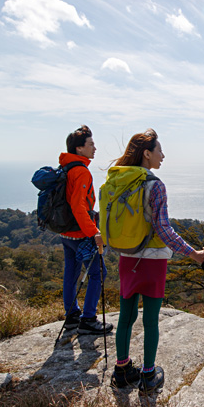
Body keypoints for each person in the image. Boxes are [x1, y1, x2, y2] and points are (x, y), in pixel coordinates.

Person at [110, 128, 204, 395]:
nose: (163, 156)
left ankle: (122, 371)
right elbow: (164, 230)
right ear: (147, 153)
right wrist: (195, 255)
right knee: (151, 319)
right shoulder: (155, 186)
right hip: (152, 259)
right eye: (159, 151)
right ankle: (148, 374)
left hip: (125, 256)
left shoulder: (116, 181)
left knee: (126, 317)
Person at [60, 125, 113, 335]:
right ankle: (88, 319)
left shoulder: (66, 168)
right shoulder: (81, 171)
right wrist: (94, 232)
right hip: (81, 234)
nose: (95, 148)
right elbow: (78, 206)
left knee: (71, 274)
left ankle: (72, 316)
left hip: (66, 233)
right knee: (98, 273)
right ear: (79, 148)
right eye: (91, 144)